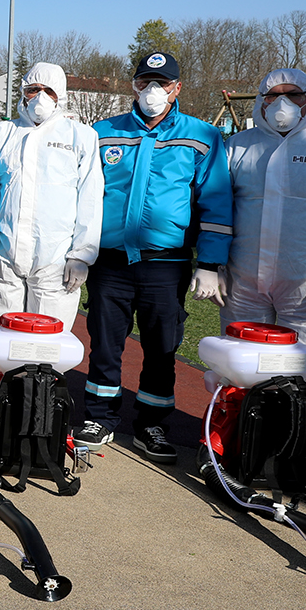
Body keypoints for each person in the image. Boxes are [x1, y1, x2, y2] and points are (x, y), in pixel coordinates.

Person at [78, 51, 231, 462]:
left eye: (161, 83)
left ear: (177, 88)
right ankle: (99, 417)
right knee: (106, 344)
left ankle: (152, 425)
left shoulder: (202, 136)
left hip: (166, 263)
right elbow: (82, 197)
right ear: (133, 85)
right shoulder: (102, 132)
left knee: (162, 348)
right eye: (145, 81)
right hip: (109, 261)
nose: (152, 90)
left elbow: (215, 203)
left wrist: (210, 263)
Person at [222, 68, 306, 457]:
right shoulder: (239, 145)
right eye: (273, 94)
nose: (282, 103)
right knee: (239, 365)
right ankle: (233, 445)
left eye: (293, 94)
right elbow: (216, 207)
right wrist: (212, 265)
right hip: (244, 279)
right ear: (260, 100)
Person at [0, 62, 103, 328]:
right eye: (32, 89)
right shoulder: (1, 134)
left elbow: (90, 198)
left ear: (60, 95)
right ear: (22, 92)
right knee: (2, 336)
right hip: (4, 252)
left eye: (48, 90)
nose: (39, 97)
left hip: (57, 258)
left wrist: (81, 255)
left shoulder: (81, 136)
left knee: (48, 342)